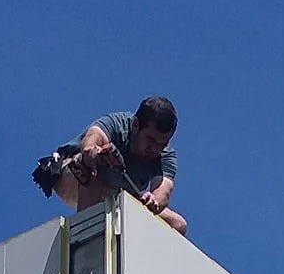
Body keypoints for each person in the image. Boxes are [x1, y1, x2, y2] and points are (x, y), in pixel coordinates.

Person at [53, 96, 186, 234]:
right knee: (95, 166)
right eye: (150, 140)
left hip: (115, 194)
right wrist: (93, 151)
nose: (155, 149)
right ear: (135, 125)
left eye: (162, 144)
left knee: (178, 225)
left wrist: (154, 201)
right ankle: (86, 235)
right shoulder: (118, 124)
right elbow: (94, 136)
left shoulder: (165, 155)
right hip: (73, 174)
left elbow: (164, 189)